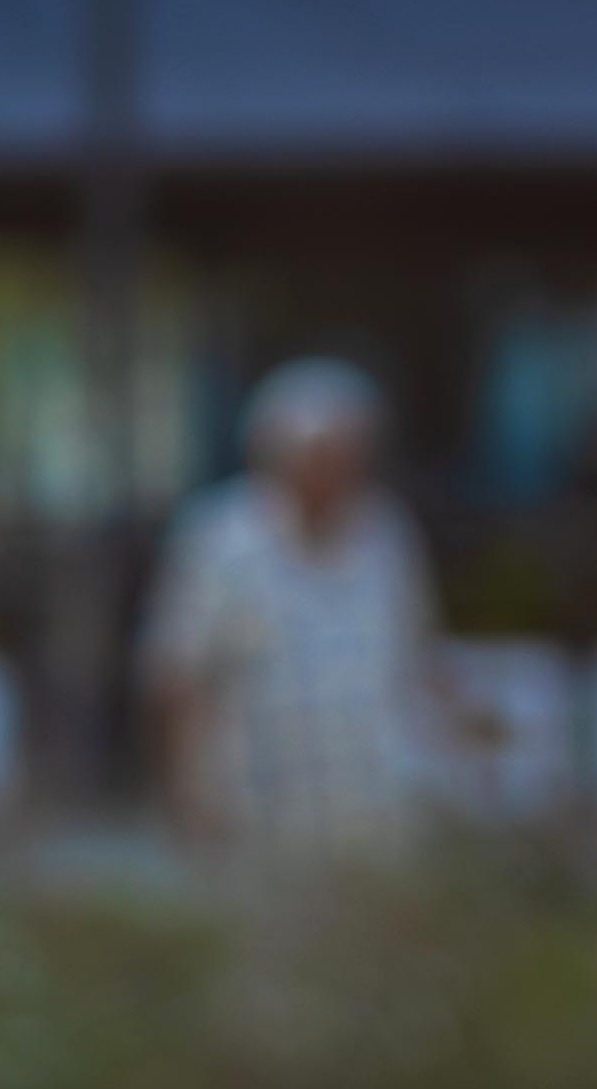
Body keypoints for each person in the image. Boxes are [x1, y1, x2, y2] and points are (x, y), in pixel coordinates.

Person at [141, 358, 499, 864]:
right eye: (320, 456)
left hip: (374, 810)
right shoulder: (221, 539)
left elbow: (418, 651)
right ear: (276, 456)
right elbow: (178, 676)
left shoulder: (385, 533)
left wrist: (469, 723)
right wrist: (186, 795)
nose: (335, 473)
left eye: (350, 455)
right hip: (257, 811)